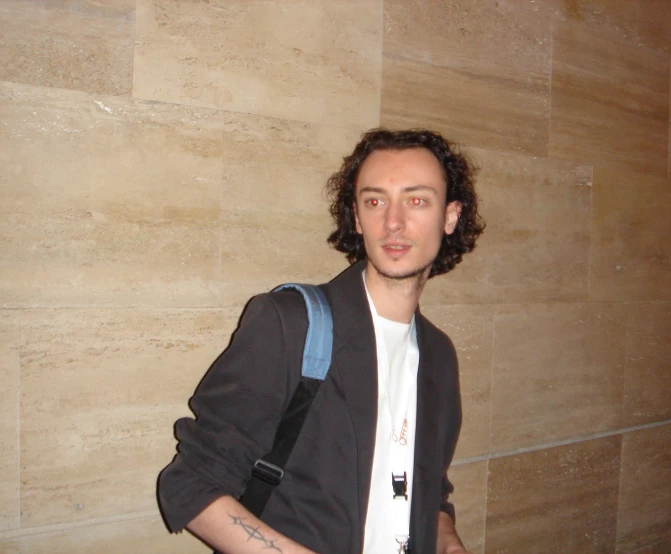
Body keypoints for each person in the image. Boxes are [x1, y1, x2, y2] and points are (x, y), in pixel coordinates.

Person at [157, 128, 485, 554]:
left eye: (417, 200)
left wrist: (448, 542)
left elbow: (428, 492)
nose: (393, 222)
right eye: (375, 201)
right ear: (356, 216)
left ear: (450, 216)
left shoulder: (439, 355)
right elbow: (190, 484)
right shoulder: (290, 324)